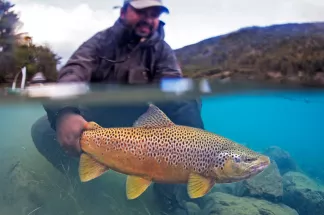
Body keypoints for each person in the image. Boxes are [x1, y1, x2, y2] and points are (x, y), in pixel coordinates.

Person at [31, 0, 204, 212]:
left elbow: (177, 97)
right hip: (99, 117)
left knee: (192, 102)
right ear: (123, 12)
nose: (148, 19)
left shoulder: (162, 52)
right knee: (41, 130)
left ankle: (166, 194)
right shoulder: (98, 44)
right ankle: (87, 179)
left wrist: (198, 144)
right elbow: (72, 74)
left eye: (154, 13)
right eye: (141, 12)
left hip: (147, 127)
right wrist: (65, 112)